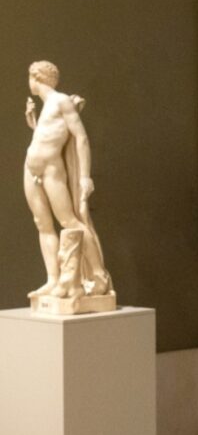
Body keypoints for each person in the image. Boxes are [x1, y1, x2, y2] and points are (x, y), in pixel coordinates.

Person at [23, 60, 112, 299]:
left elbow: (81, 138)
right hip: (31, 168)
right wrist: (33, 122)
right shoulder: (45, 107)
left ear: (37, 77)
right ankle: (53, 279)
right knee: (42, 224)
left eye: (30, 77)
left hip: (52, 170)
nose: (28, 82)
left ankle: (98, 275)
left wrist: (84, 176)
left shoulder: (60, 101)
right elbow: (47, 136)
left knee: (69, 221)